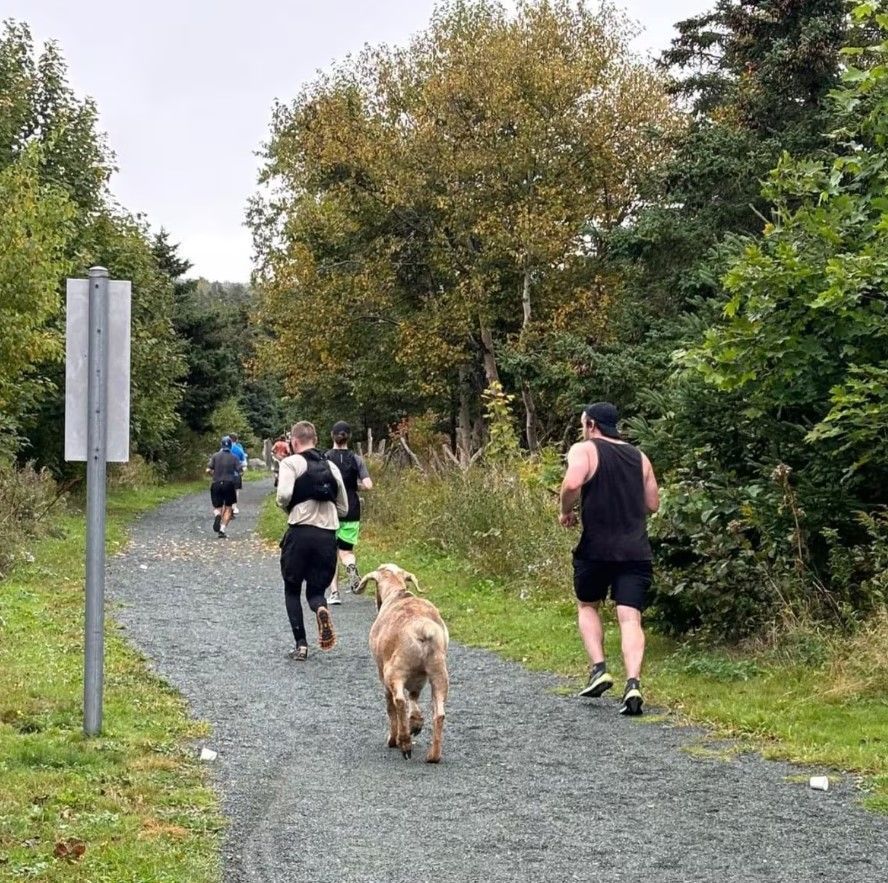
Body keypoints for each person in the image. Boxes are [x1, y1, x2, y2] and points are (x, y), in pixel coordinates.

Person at [559, 402, 660, 715]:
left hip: (596, 549)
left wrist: (565, 510)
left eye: (582, 423)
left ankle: (599, 668)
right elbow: (653, 503)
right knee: (630, 617)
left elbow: (573, 483)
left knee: (587, 604)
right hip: (636, 551)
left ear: (591, 424)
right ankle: (633, 683)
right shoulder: (639, 457)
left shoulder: (585, 449)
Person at [276, 421, 349, 660]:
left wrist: (289, 506)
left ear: (294, 442)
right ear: (316, 440)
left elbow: (284, 495)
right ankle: (320, 608)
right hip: (327, 536)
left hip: (299, 533)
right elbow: (344, 508)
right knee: (316, 590)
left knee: (292, 588)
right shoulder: (331, 467)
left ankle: (301, 645)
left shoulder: (291, 462)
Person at [324, 420, 373, 605]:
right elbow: (368, 485)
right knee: (346, 550)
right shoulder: (356, 459)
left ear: (332, 436)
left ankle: (334, 594)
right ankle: (351, 566)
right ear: (349, 437)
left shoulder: (325, 458)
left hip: (330, 510)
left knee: (330, 553)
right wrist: (354, 486)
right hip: (352, 510)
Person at [206, 436, 242, 539]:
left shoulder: (215, 456)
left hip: (216, 483)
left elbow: (208, 469)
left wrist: (213, 475)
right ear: (231, 445)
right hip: (229, 484)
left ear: (221, 445)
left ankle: (217, 514)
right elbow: (241, 471)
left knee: (218, 506)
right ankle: (222, 529)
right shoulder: (234, 457)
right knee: (228, 508)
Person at [229, 433, 248, 515]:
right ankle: (234, 507)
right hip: (236, 473)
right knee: (235, 490)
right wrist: (242, 471)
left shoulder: (222, 450)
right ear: (236, 440)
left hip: (224, 473)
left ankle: (225, 506)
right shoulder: (239, 449)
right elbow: (244, 464)